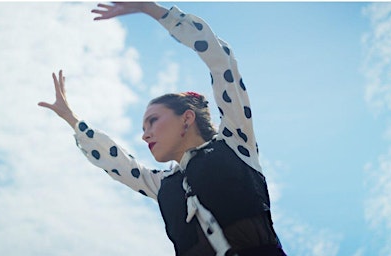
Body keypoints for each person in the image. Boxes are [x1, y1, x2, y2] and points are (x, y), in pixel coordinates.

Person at [38, 2, 286, 256]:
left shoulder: (235, 142)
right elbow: (117, 162)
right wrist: (72, 119)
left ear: (187, 118)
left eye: (153, 121)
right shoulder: (162, 184)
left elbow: (221, 62)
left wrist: (151, 8)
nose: (145, 134)